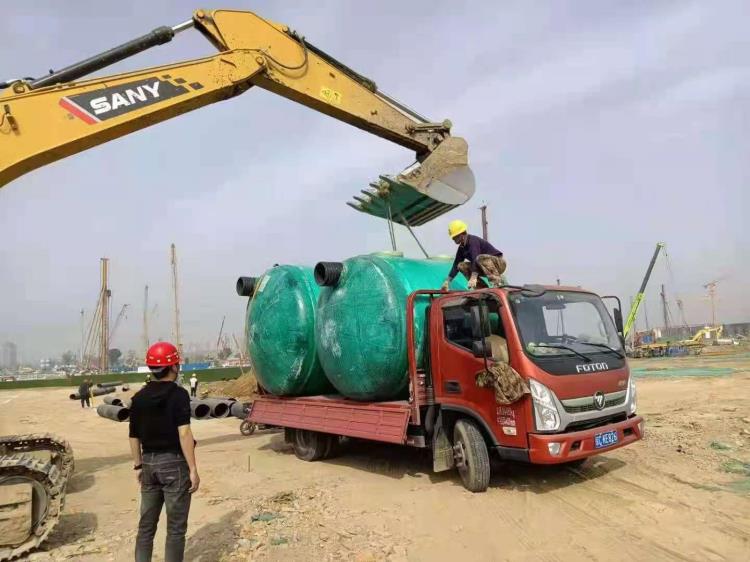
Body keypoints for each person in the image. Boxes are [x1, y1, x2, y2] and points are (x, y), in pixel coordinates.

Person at [129, 342, 199, 562]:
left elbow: (133, 436)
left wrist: (138, 465)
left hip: (149, 464)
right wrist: (193, 469)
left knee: (146, 527)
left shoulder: (138, 398)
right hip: (174, 465)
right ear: (174, 367)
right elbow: (185, 433)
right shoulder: (179, 395)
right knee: (175, 530)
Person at [441, 219, 506, 290]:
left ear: (462, 234)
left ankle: (497, 283)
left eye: (455, 236)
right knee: (461, 265)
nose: (453, 239)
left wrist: (473, 277)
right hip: (482, 267)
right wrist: (448, 281)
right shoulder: (462, 248)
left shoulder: (472, 241)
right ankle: (481, 288)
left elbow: (475, 257)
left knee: (479, 258)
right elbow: (456, 265)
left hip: (498, 263)